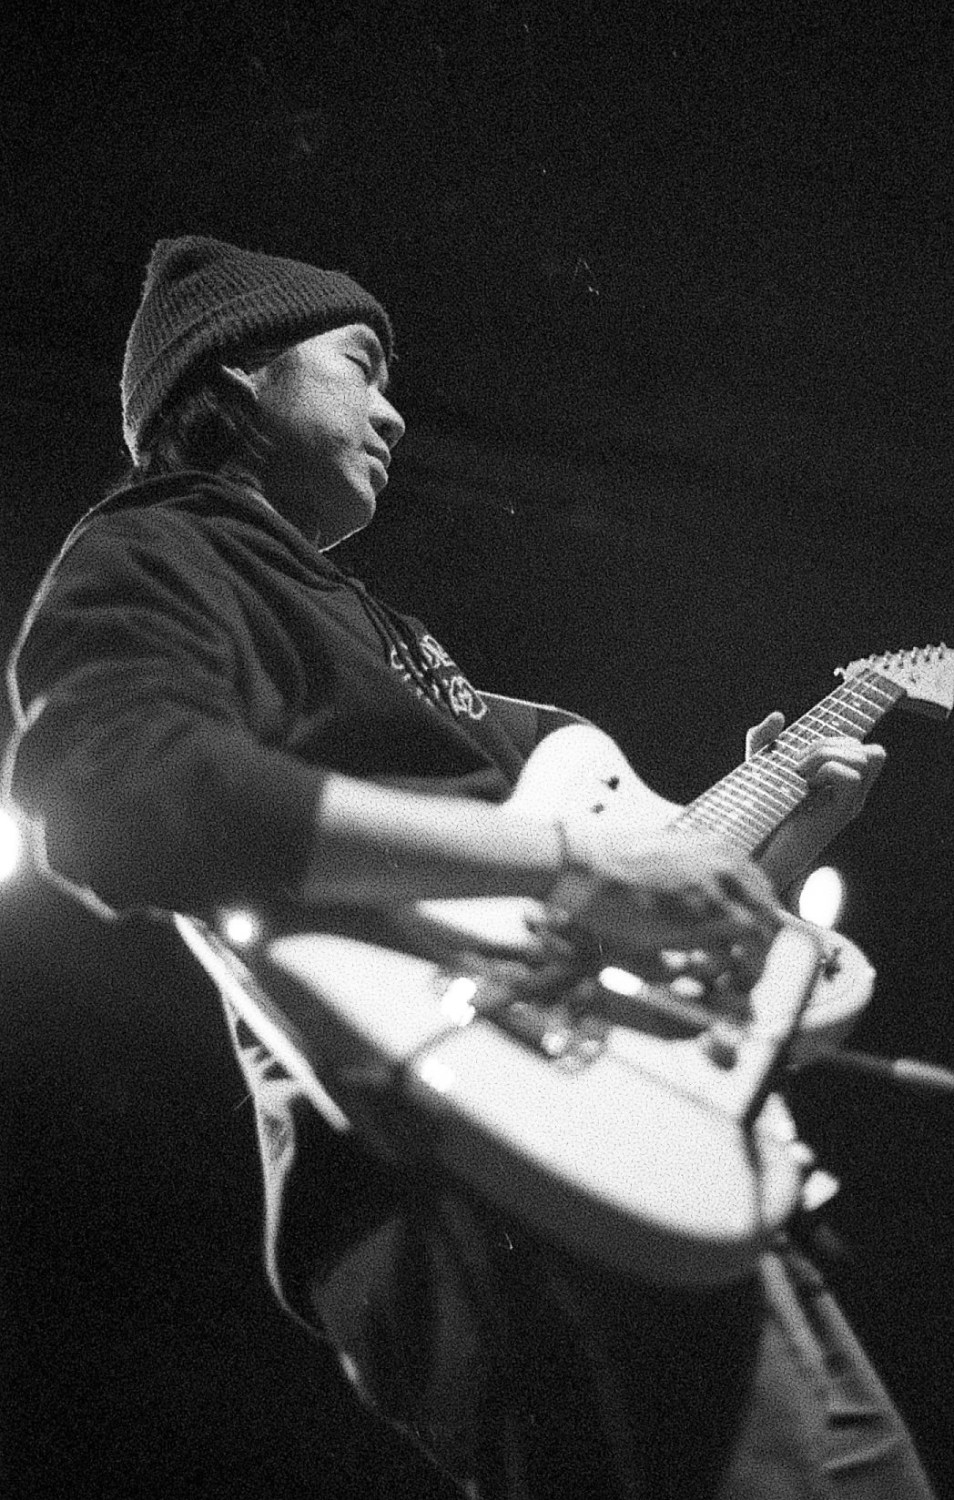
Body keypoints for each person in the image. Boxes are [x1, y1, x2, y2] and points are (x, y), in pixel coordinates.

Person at [3, 235, 936, 1498]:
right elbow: (108, 789)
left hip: (640, 1141)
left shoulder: (394, 645)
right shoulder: (164, 542)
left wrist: (786, 831)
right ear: (234, 377)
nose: (394, 411)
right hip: (461, 1171)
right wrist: (576, 859)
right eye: (361, 365)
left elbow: (631, 892)